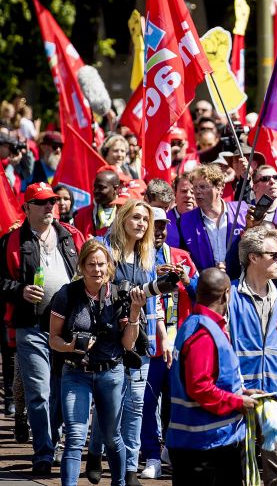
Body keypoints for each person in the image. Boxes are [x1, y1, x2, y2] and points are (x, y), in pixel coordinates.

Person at [0, 183, 84, 474]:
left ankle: (56, 441)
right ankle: (44, 453)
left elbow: (90, 271)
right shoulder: (11, 240)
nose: (50, 206)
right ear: (26, 208)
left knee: (62, 391)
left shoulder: (71, 235)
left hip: (68, 325)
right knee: (38, 391)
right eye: (42, 202)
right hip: (31, 325)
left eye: (52, 201)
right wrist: (19, 289)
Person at [49, 240, 144, 486]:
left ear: (109, 267)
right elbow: (53, 339)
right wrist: (70, 347)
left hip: (111, 373)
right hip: (76, 372)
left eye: (102, 264)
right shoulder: (67, 294)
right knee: (76, 436)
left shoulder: (118, 295)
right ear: (82, 266)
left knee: (112, 438)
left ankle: (120, 482)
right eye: (91, 264)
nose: (97, 270)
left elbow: (128, 345)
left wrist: (134, 313)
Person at [89, 200, 162, 486]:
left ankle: (130, 468)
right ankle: (95, 452)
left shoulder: (149, 255)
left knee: (135, 406)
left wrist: (161, 337)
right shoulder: (105, 248)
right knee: (108, 404)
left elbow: (154, 301)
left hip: (140, 337)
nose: (141, 224)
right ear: (122, 218)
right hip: (109, 338)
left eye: (145, 219)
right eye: (135, 217)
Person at [167, 268, 259, 486]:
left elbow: (211, 379)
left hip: (201, 444)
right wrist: (238, 402)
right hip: (206, 449)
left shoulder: (193, 324)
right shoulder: (205, 332)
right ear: (226, 294)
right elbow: (200, 387)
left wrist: (241, 392)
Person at [229, 226, 277, 486]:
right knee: (241, 471)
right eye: (274, 255)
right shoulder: (229, 297)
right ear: (253, 257)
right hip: (240, 397)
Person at [139, 208, 198, 480]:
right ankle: (151, 454)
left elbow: (201, 294)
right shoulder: (138, 259)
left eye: (163, 226)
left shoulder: (182, 257)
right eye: (155, 225)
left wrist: (187, 279)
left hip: (180, 343)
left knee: (177, 403)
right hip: (151, 342)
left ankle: (169, 450)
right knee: (147, 402)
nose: (160, 231)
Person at [171, 165, 248, 270]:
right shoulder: (184, 222)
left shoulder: (243, 212)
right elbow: (184, 260)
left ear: (219, 188)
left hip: (240, 281)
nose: (197, 192)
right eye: (195, 187)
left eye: (202, 187)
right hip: (206, 283)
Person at [74, 168, 123, 238]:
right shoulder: (81, 215)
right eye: (95, 187)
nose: (96, 191)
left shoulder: (126, 213)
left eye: (101, 187)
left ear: (115, 189)